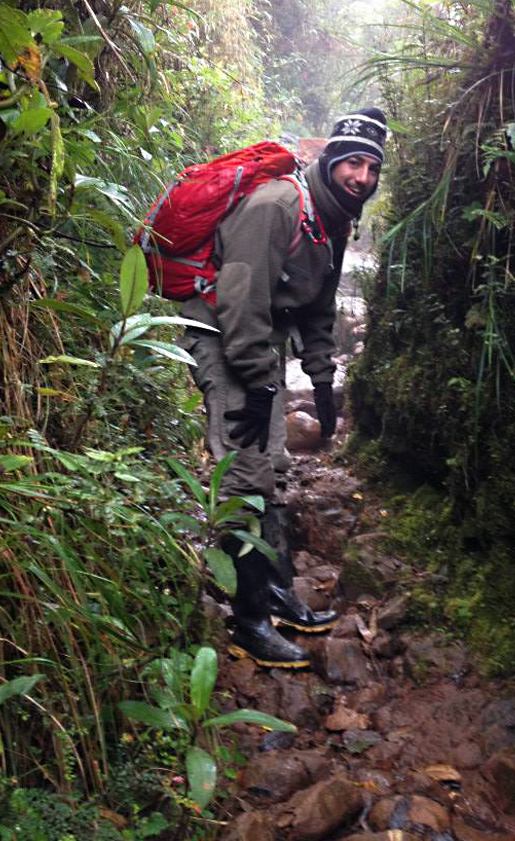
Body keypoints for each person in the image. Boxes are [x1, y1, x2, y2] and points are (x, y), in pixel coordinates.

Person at [178, 107, 387, 667]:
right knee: (246, 470)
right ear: (331, 160)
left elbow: (317, 306)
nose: (361, 177)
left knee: (271, 465)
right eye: (352, 163)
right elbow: (240, 297)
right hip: (221, 333)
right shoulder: (277, 206)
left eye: (371, 167)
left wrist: (322, 381)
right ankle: (248, 621)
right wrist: (258, 383)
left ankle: (274, 591)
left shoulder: (335, 217)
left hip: (257, 339)